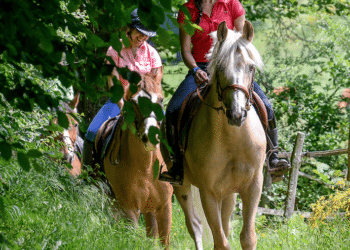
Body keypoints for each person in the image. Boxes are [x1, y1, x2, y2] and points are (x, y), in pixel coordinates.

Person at [159, 0, 290, 185]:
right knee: (173, 108)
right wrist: (196, 70)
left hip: (232, 66)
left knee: (266, 106)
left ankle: (273, 157)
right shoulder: (187, 10)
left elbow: (244, 39)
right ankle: (177, 165)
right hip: (201, 68)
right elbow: (186, 51)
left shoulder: (232, 4)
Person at [81, 8, 163, 168]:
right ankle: (87, 172)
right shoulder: (114, 50)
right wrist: (123, 106)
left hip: (146, 102)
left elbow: (156, 84)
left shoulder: (153, 54)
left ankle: (171, 172)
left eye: (147, 34)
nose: (144, 37)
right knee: (91, 131)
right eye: (140, 32)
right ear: (130, 29)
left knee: (170, 130)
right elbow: (112, 83)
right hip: (120, 100)